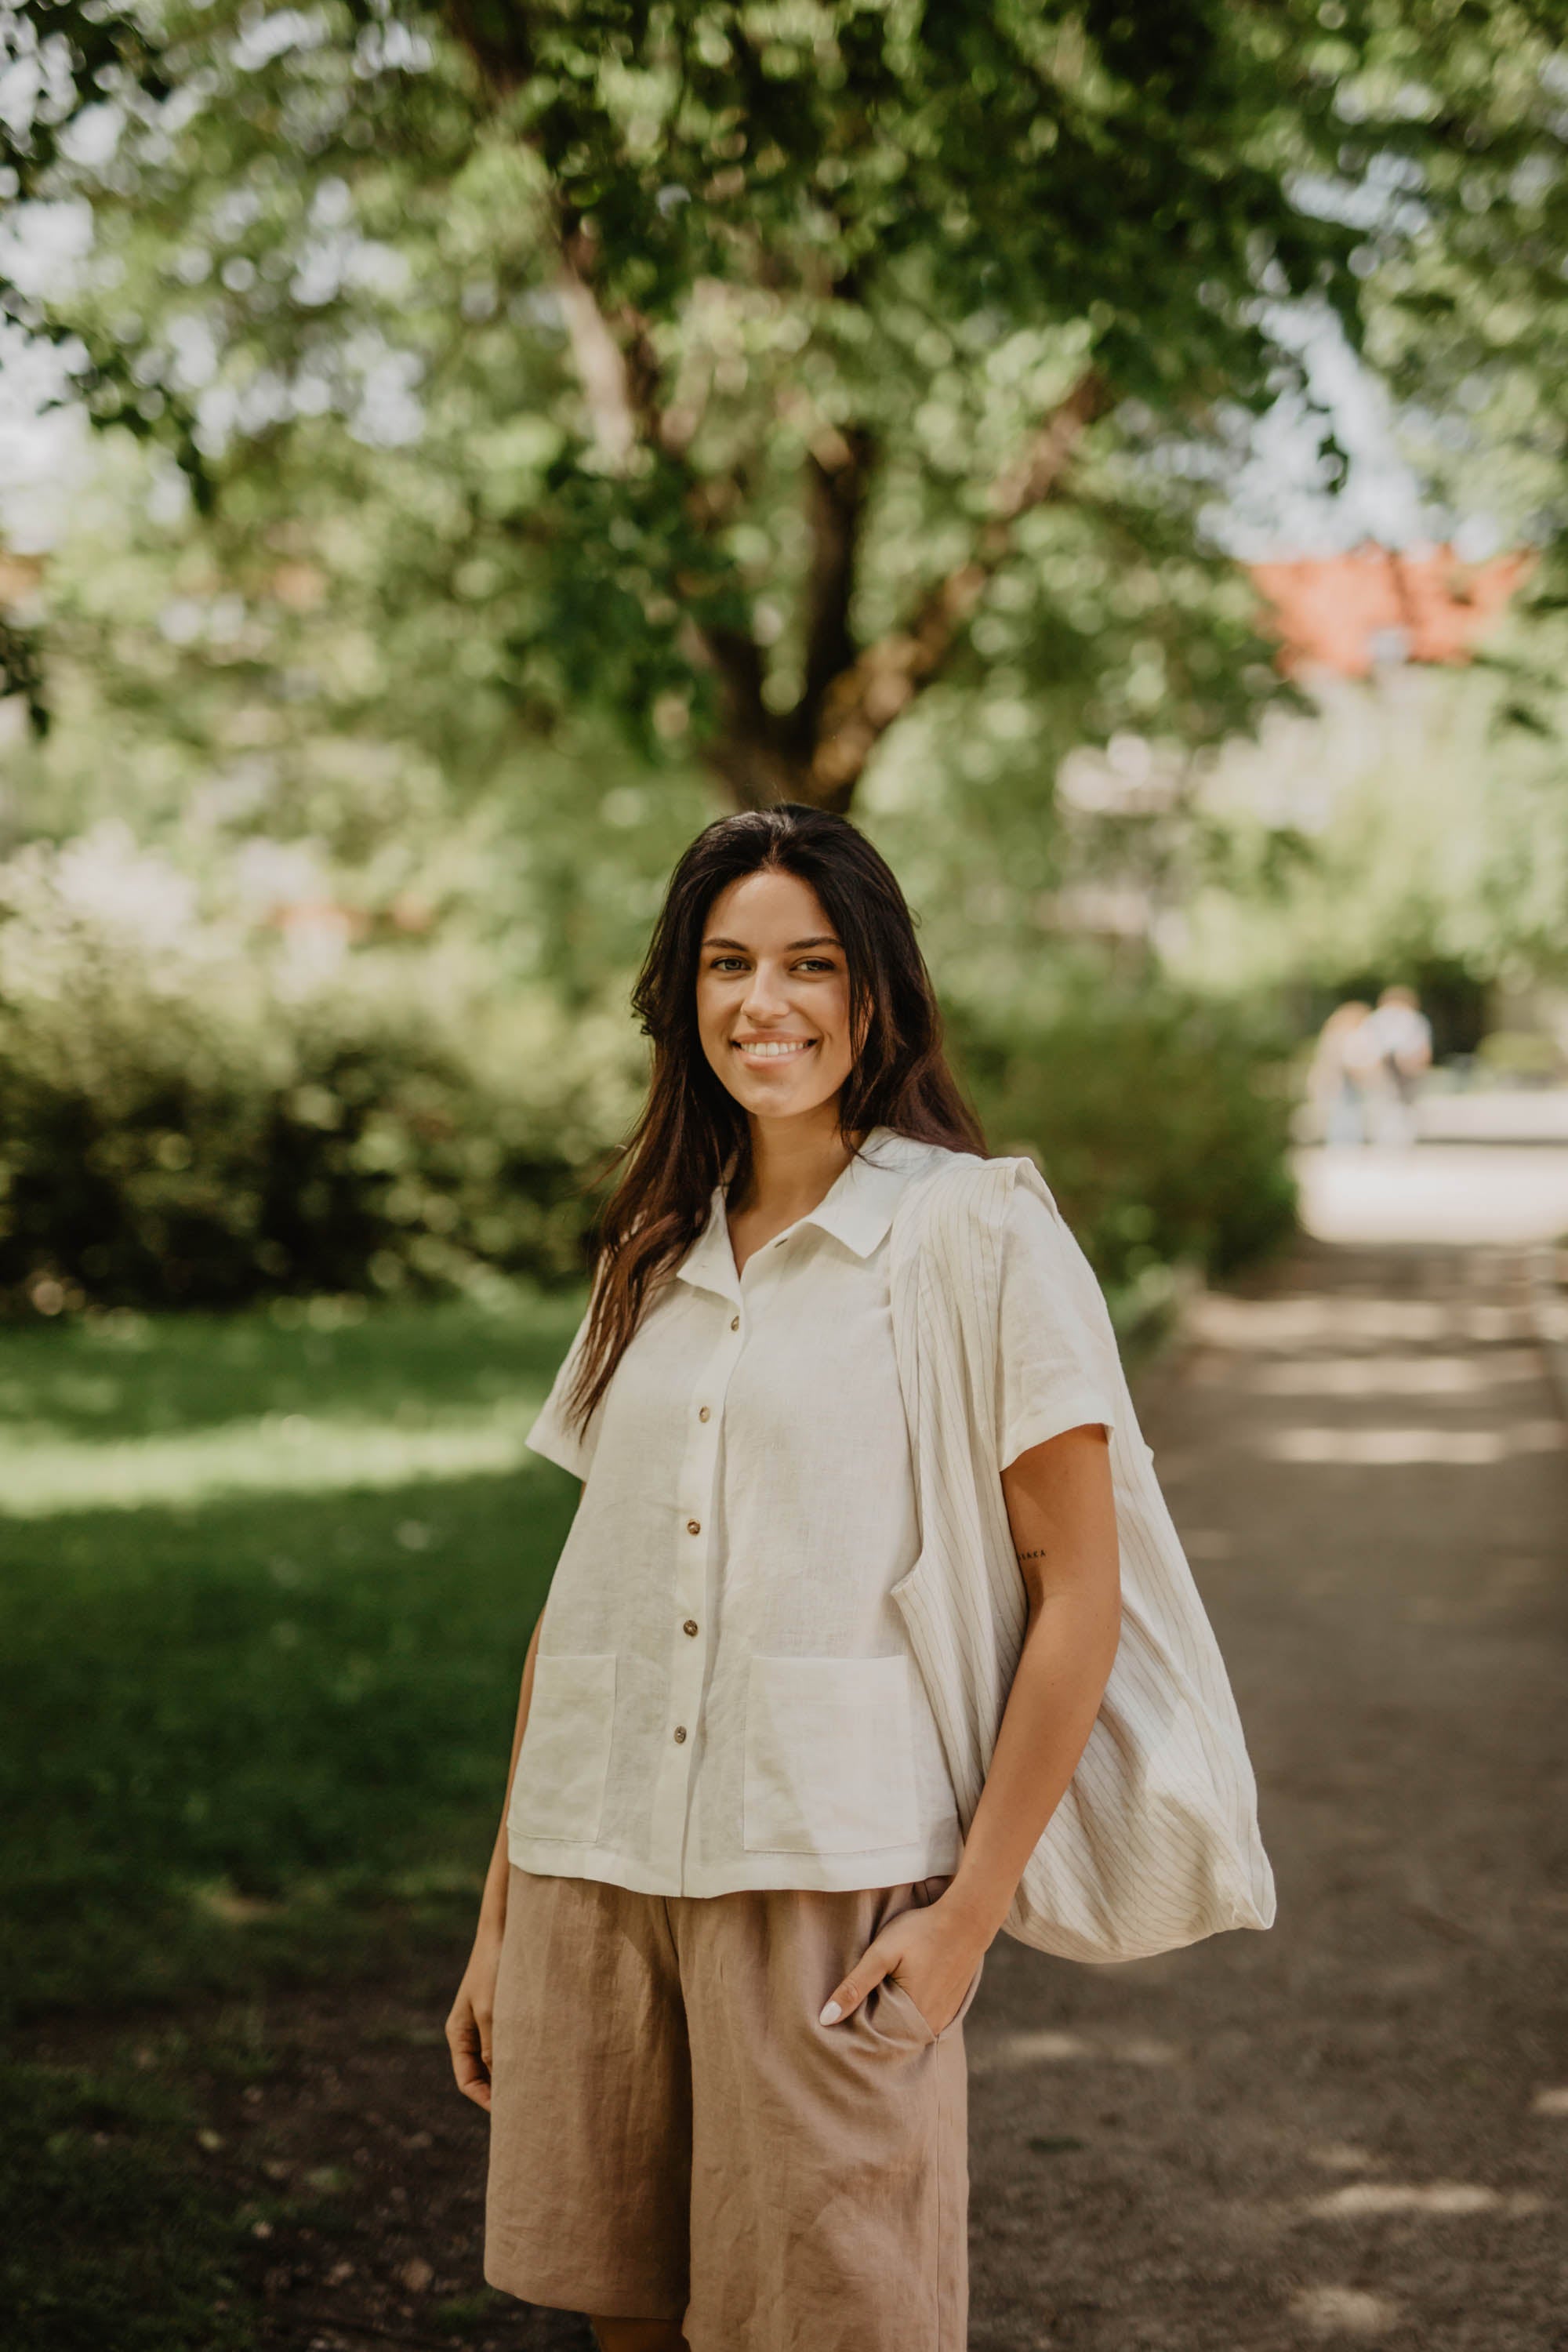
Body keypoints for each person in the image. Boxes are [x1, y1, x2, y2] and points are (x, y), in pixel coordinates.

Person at [446, 806, 1270, 2352]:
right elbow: (585, 1605)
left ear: (874, 990)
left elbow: (1074, 1593)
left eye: (809, 963)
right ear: (682, 998)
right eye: (728, 964)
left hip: (819, 1870)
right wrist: (498, 1920)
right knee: (624, 2311)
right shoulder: (649, 1254)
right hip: (595, 1861)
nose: (766, 1002)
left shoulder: (975, 1232)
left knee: (836, 2318)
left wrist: (965, 1915)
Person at [1367, 983, 1433, 1147]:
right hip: (1394, 1065)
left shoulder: (1382, 1019)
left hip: (1401, 1065)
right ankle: (1396, 1139)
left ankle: (1394, 1139)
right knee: (1395, 1105)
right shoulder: (1410, 1019)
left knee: (1395, 1105)